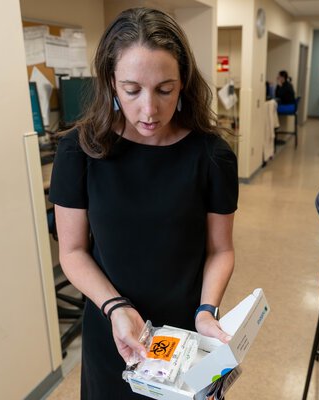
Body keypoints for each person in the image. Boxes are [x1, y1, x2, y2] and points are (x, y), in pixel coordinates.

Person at [48, 7, 238, 399]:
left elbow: (220, 249)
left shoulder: (212, 156)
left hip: (187, 332)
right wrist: (116, 307)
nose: (149, 110)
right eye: (132, 90)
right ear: (111, 83)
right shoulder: (79, 151)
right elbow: (72, 251)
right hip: (114, 330)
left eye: (165, 89)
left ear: (183, 82)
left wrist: (207, 311)